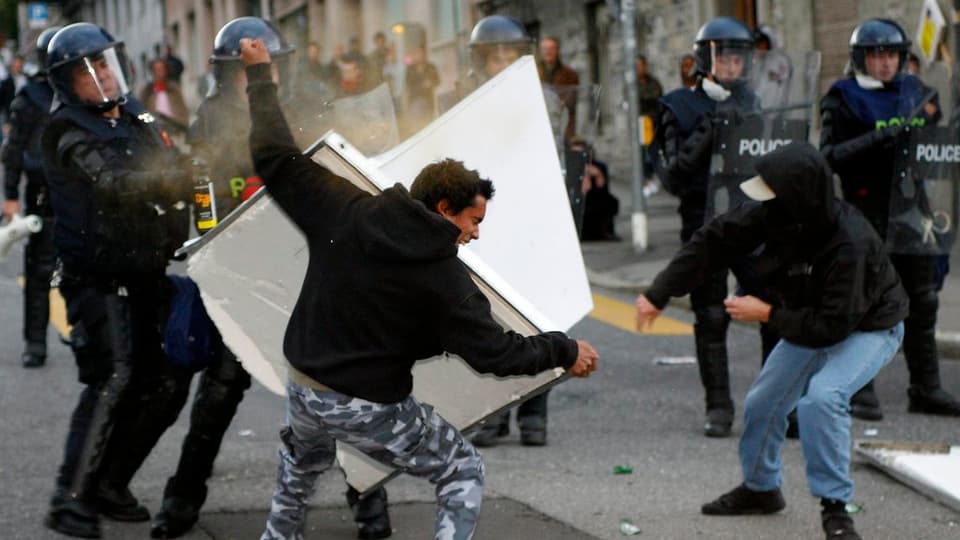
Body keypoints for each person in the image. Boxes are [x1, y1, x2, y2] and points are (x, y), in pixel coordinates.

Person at [236, 37, 598, 540]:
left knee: (302, 461)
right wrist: (564, 348)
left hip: (304, 386)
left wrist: (259, 76)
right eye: (473, 219)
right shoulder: (445, 279)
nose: (476, 233)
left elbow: (274, 156)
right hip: (368, 406)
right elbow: (495, 353)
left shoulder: (346, 206)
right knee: (462, 470)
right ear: (445, 210)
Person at [139, 18, 394, 540]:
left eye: (270, 66)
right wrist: (214, 243)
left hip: (307, 267)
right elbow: (206, 192)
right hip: (245, 272)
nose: (262, 76)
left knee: (337, 392)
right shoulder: (212, 119)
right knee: (220, 391)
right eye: (250, 69)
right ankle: (181, 503)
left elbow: (345, 173)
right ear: (228, 73)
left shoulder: (306, 106)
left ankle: (371, 507)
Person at [636, 142, 907, 540]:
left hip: (869, 327)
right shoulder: (776, 214)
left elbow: (831, 328)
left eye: (772, 193)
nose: (764, 203)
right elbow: (713, 239)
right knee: (763, 402)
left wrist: (767, 315)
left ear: (798, 196)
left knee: (823, 397)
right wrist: (658, 293)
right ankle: (762, 489)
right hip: (809, 318)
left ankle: (836, 509)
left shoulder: (851, 243)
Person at [39, 22, 193, 538]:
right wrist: (176, 177)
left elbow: (175, 160)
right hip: (97, 280)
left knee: (167, 379)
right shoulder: (66, 129)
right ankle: (72, 499)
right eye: (87, 70)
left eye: (103, 63)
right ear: (67, 83)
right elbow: (112, 181)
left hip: (146, 269)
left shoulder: (137, 114)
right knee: (113, 380)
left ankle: (110, 483)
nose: (100, 75)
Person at [820, 18, 960, 419]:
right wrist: (879, 139)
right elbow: (829, 156)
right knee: (867, 303)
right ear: (861, 58)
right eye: (877, 54)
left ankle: (926, 388)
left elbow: (935, 151)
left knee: (923, 300)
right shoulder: (842, 97)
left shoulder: (917, 93)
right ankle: (861, 391)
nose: (885, 63)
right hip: (865, 213)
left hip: (914, 212)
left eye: (893, 54)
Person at [651, 16, 760, 438]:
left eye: (739, 58)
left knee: (773, 306)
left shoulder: (755, 100)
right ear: (705, 58)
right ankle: (718, 406)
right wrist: (709, 130)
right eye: (725, 57)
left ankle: (779, 405)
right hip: (703, 222)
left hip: (753, 220)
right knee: (711, 315)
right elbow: (673, 176)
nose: (733, 66)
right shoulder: (678, 104)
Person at [463, 15, 560, 447]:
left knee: (537, 317)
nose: (501, 64)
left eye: (509, 56)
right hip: (485, 221)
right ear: (481, 61)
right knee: (490, 321)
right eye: (494, 58)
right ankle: (494, 412)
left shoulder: (547, 99)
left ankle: (535, 411)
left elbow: (556, 159)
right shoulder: (462, 101)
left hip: (535, 220)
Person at [1, 27, 60, 369]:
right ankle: (35, 343)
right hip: (42, 192)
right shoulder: (31, 98)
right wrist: (9, 196)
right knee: (39, 271)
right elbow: (13, 151)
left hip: (80, 194)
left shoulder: (85, 94)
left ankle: (87, 334)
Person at [572, 137, 619, 241]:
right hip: (578, 200)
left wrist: (598, 174)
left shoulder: (598, 166)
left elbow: (602, 187)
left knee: (609, 202)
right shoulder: (570, 168)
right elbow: (583, 190)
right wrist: (583, 175)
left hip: (596, 197)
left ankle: (605, 231)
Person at [537, 36, 580, 140]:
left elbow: (570, 104)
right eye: (545, 49)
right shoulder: (533, 72)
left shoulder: (570, 74)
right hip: (538, 125)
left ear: (557, 50)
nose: (548, 52)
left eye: (551, 48)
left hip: (560, 125)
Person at [138, 57, 190, 134]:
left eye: (161, 69)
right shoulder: (147, 91)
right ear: (152, 71)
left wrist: (184, 125)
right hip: (156, 129)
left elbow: (182, 109)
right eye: (156, 69)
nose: (159, 72)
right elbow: (141, 109)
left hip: (174, 127)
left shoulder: (174, 88)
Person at [751, 26, 793, 109]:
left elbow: (780, 87)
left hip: (775, 111)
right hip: (759, 111)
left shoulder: (780, 61)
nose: (760, 48)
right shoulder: (756, 62)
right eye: (757, 45)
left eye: (762, 44)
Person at [402, 45, 439, 137]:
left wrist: (431, 82)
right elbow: (407, 86)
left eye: (421, 53)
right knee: (417, 129)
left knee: (428, 128)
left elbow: (437, 80)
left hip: (429, 102)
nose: (420, 55)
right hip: (414, 102)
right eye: (417, 53)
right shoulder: (410, 69)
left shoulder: (431, 67)